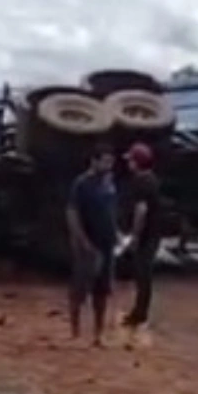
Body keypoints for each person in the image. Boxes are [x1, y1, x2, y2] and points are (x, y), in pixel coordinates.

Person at [66, 144, 118, 344]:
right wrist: (82, 240)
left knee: (102, 291)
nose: (109, 165)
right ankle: (75, 332)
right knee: (80, 289)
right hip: (89, 243)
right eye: (105, 161)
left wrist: (118, 235)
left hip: (107, 244)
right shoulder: (82, 184)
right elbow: (72, 213)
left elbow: (111, 212)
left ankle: (98, 334)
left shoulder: (109, 183)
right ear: (94, 161)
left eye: (110, 162)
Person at [121, 143, 162, 329]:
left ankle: (139, 314)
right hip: (152, 234)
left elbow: (141, 210)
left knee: (142, 275)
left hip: (147, 235)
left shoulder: (141, 181)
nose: (129, 163)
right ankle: (140, 312)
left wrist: (135, 236)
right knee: (143, 275)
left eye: (131, 160)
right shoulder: (151, 179)